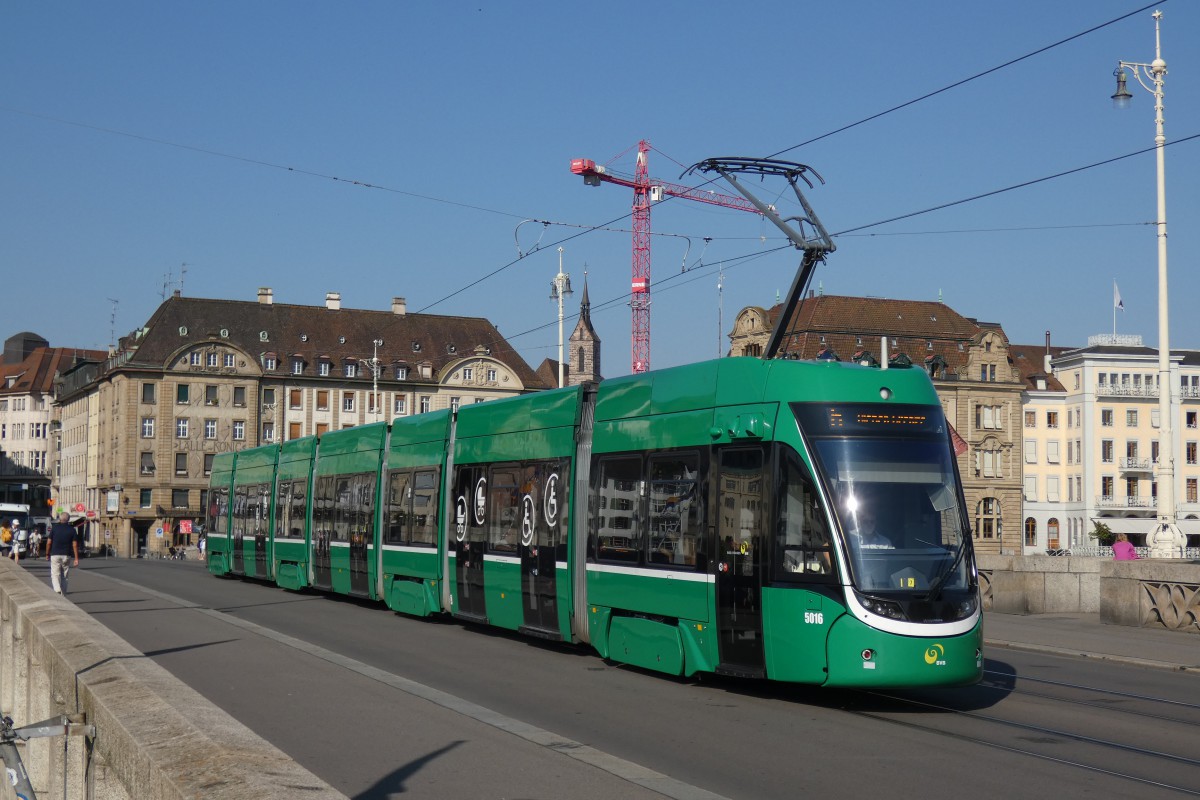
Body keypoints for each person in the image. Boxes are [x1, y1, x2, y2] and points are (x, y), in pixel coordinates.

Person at [46, 512, 80, 595]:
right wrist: (76, 558)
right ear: (68, 519)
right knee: (64, 576)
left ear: (60, 519)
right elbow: (75, 545)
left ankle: (57, 589)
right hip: (66, 555)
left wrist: (47, 554)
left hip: (55, 554)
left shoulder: (54, 528)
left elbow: (49, 542)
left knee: (55, 574)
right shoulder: (72, 530)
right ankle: (63, 594)